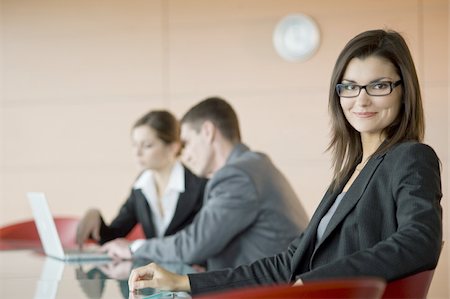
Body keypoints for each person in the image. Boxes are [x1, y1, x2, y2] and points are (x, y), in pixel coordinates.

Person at [128, 29, 443, 296]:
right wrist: (185, 282)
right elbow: (285, 264)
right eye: (349, 86)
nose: (360, 99)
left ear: (403, 92)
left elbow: (420, 241)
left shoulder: (410, 156)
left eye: (378, 85)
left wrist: (311, 283)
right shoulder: (348, 172)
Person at [100, 97, 309, 270]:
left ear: (208, 132)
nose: (185, 154)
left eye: (187, 143)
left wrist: (134, 248)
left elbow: (193, 244)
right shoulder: (253, 164)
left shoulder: (237, 177)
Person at [76, 110, 208, 256]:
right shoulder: (141, 186)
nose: (137, 152)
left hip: (190, 274)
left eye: (147, 145)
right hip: (156, 274)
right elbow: (115, 235)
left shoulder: (201, 187)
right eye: (134, 145)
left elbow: (200, 243)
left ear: (173, 147)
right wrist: (95, 216)